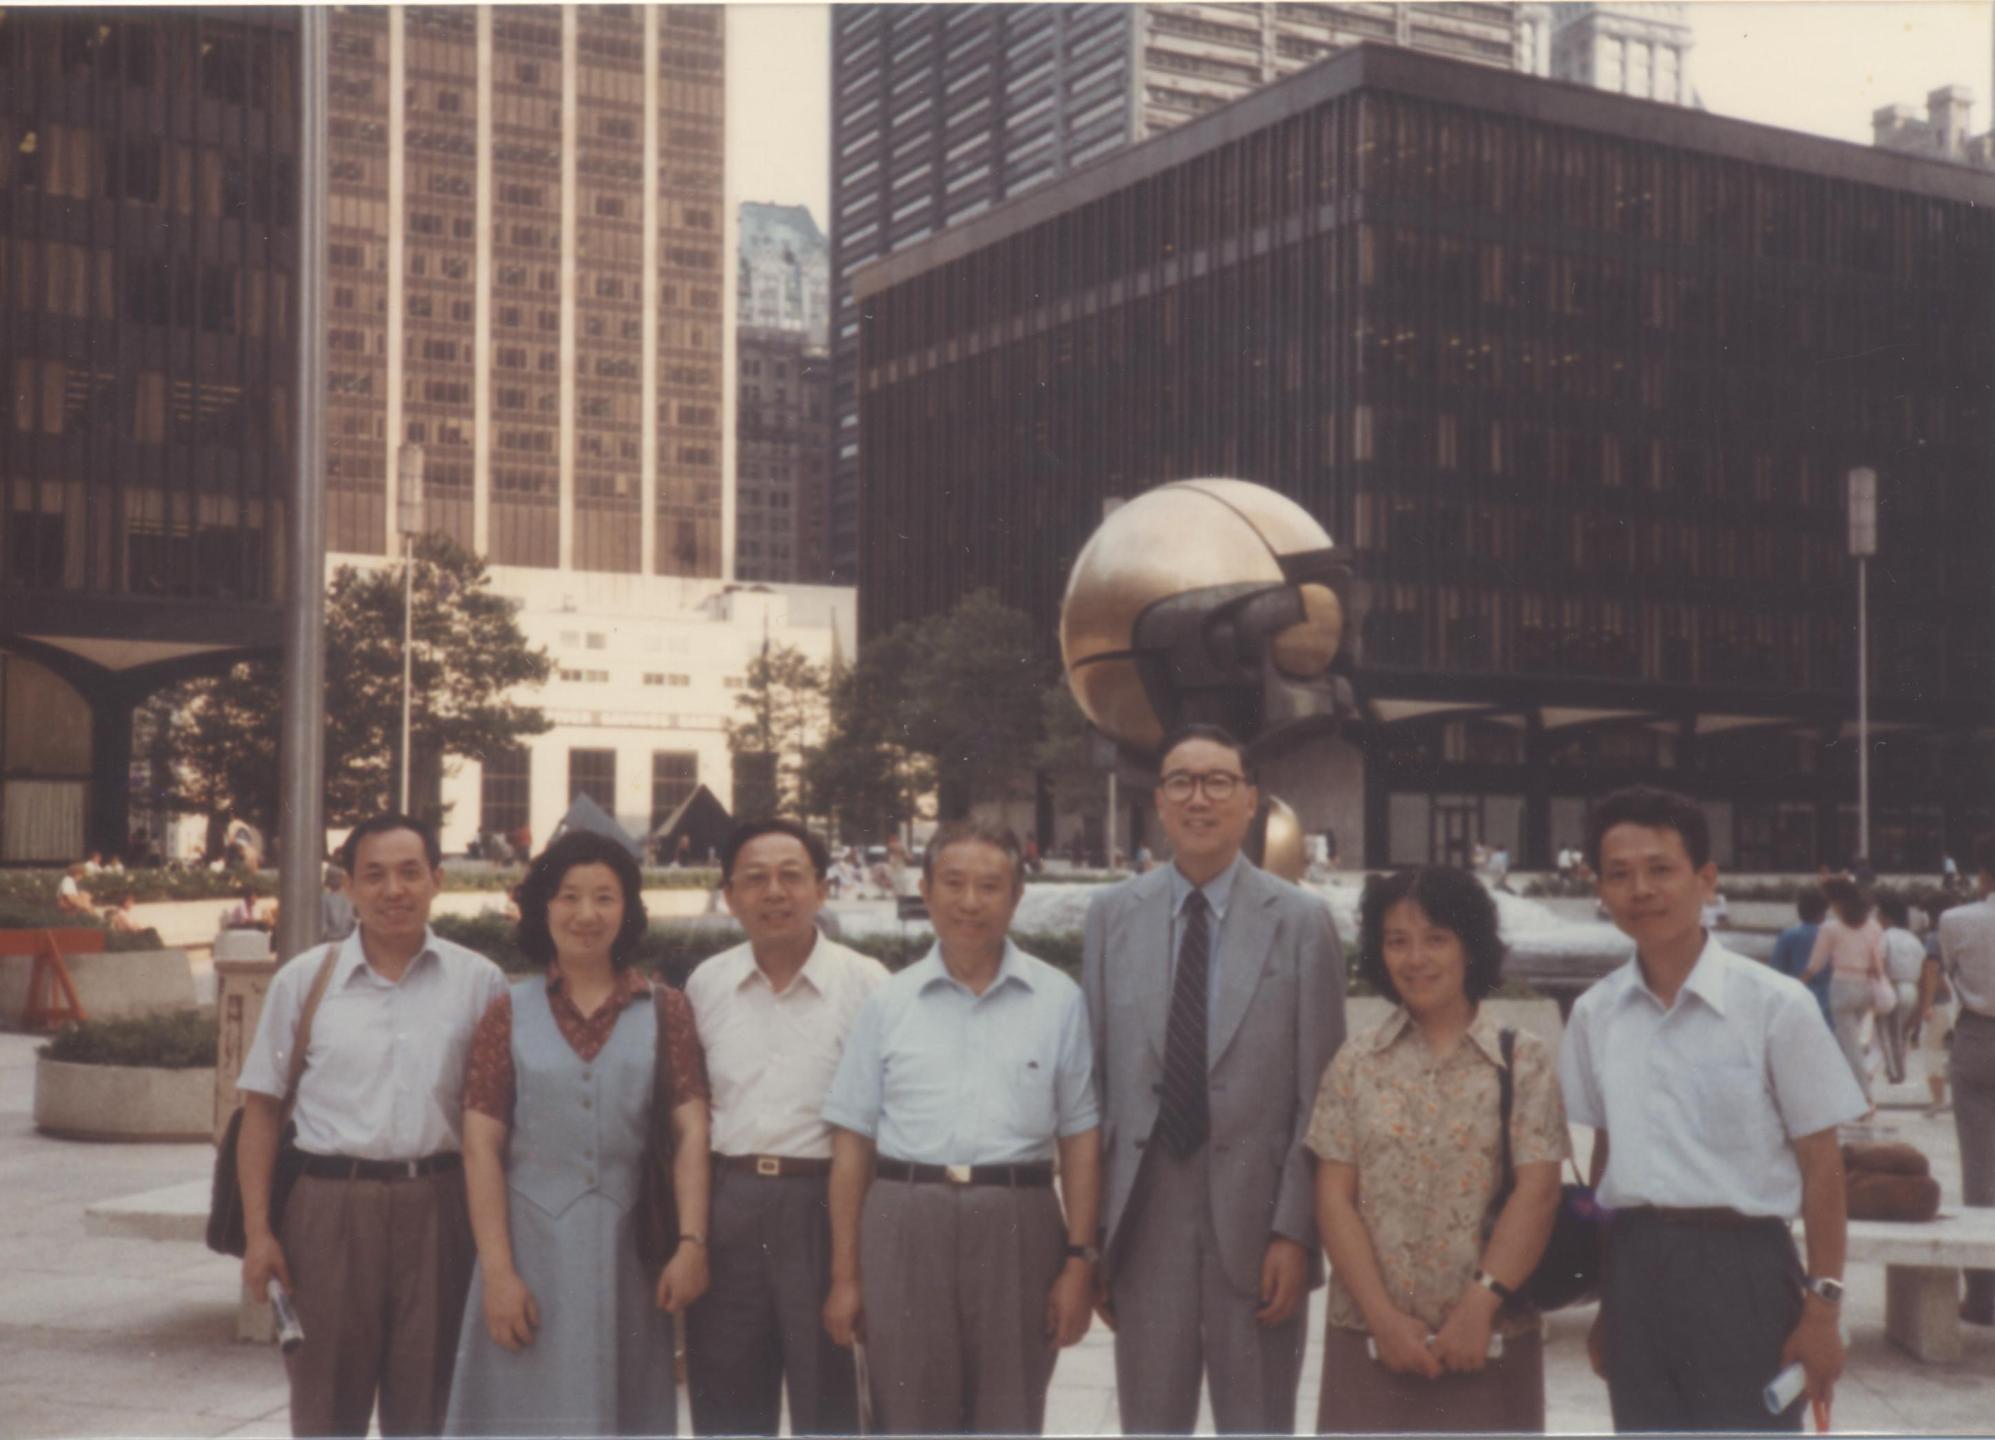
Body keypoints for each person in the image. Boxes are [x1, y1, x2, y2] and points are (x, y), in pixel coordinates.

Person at [1559, 786, 1864, 1432]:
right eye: (1619, 874)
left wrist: (1823, 1309)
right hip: (1635, 1269)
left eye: (1660, 869)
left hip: (1743, 1270)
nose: (1640, 889)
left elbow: (1821, 1166)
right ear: (1600, 889)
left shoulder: (1774, 1006)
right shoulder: (1593, 1014)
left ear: (1705, 879)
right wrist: (1609, 1299)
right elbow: (1606, 1159)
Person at [1080, 724, 1345, 1435]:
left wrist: (1294, 1232)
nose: (1199, 798)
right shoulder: (1110, 918)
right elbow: (1093, 1088)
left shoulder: (1302, 921)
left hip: (1258, 1225)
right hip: (1143, 1219)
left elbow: (1321, 1095)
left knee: (1257, 1421)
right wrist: (1094, 1235)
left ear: (1250, 800)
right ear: (1159, 801)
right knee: (1150, 1422)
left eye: (1219, 782)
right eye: (1181, 782)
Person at [820, 820, 1100, 1435]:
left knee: (1010, 1415)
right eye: (952, 883)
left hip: (1018, 1224)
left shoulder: (1059, 1000)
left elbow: (1080, 1138)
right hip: (904, 1221)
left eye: (989, 886)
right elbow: (852, 1144)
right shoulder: (888, 1003)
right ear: (925, 889)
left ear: (1016, 897)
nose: (970, 902)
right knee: (907, 1417)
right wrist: (846, 1276)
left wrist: (1079, 1263)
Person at [236, 813, 508, 1436]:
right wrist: (258, 1234)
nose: (394, 891)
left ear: (437, 880)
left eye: (410, 873)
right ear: (349, 887)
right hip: (328, 1212)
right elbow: (261, 1111)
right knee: (326, 1409)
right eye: (375, 875)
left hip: (441, 1207)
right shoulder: (304, 981)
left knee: (430, 1410)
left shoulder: (479, 982)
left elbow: (497, 1119)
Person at [444, 830, 710, 1435]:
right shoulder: (506, 1012)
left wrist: (692, 1243)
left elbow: (692, 1131)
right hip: (529, 1255)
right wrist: (499, 1274)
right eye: (568, 896)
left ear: (628, 909)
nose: (586, 914)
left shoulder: (666, 1011)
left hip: (631, 1260)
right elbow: (481, 1146)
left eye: (605, 897)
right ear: (543, 907)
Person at [1311, 866, 1566, 1432]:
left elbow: (1539, 1193)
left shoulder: (1522, 1060)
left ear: (1469, 947)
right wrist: (1382, 1319)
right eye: (1397, 941)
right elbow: (1333, 1199)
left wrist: (1479, 1308)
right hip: (1370, 1343)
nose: (1415, 959)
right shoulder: (1355, 1063)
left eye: (1436, 939)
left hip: (1488, 1340)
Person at [683, 819, 889, 1436]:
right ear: (729, 896)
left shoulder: (868, 985)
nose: (774, 892)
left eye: (790, 876)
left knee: (830, 1401)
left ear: (821, 889)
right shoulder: (706, 984)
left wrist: (854, 1267)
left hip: (826, 1208)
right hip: (730, 1205)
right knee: (726, 1401)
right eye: (755, 879)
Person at [1937, 833, 1995, 1327]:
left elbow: (1950, 973)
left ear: (1982, 874)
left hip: (1977, 1036)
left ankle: (1984, 1297)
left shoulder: (1956, 920)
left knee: (1980, 1172)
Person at [1801, 879, 1888, 1111]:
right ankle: (1848, 1092)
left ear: (1836, 902)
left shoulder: (1831, 928)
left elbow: (1816, 963)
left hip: (1841, 986)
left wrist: (1801, 982)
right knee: (1850, 1043)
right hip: (1866, 986)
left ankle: (1865, 1098)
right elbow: (1879, 959)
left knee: (1849, 1046)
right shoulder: (1873, 926)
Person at [1876, 893, 1925, 1087]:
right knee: (1902, 1032)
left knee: (1887, 1032)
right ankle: (1900, 1067)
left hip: (1893, 985)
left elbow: (1880, 962)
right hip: (1912, 987)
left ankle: (1895, 1071)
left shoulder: (1885, 936)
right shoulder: (1914, 939)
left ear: (1886, 916)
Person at [1915, 897, 1957, 1118]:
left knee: (1932, 1049)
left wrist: (1927, 1005)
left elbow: (1932, 971)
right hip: (1962, 1002)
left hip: (1941, 1002)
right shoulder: (1961, 934)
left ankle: (1938, 1099)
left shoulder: (1934, 938)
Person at [1768, 888, 1833, 1028]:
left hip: (1797, 996)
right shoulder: (1831, 935)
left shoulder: (1788, 935)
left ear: (1799, 911)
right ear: (1823, 913)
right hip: (1827, 997)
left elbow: (1776, 969)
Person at [318, 866, 356, 943]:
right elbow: (350, 918)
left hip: (332, 939)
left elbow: (323, 924)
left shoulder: (325, 898)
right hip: (345, 938)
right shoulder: (348, 897)